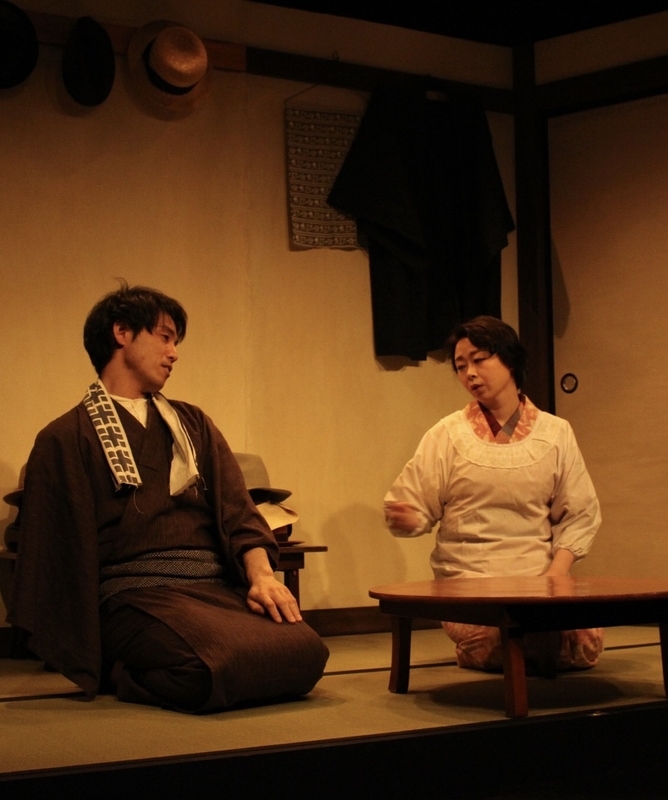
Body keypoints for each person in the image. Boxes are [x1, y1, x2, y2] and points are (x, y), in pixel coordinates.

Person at [8, 283, 329, 712]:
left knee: (306, 653)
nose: (174, 353)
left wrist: (262, 577)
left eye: (175, 342)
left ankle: (153, 660)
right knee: (207, 668)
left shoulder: (193, 423)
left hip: (211, 588)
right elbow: (52, 546)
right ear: (122, 333)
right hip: (133, 596)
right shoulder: (65, 436)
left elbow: (239, 512)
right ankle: (117, 669)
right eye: (164, 337)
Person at [384, 316, 603, 673]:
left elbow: (580, 512)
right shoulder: (447, 434)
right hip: (470, 583)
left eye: (479, 359)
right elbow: (415, 503)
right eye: (460, 366)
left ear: (510, 360)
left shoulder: (556, 432)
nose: (469, 373)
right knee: (503, 640)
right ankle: (480, 646)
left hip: (540, 581)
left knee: (583, 642)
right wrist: (408, 516)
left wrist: (557, 573)